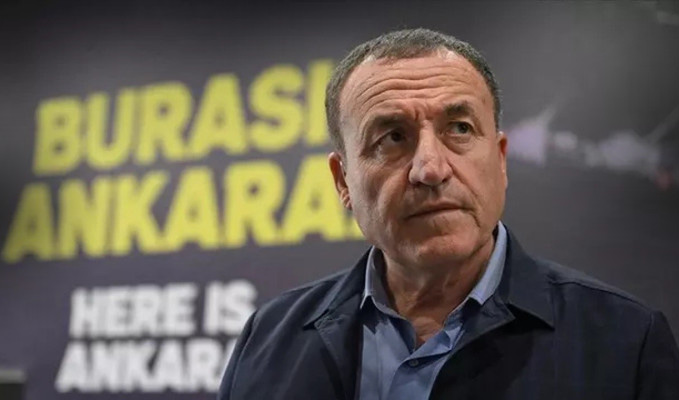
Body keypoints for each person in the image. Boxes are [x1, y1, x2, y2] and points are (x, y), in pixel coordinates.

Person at [217, 28, 679, 400]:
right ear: (343, 181)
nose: (431, 168)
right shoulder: (267, 340)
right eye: (392, 137)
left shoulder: (626, 341)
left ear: (500, 160)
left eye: (459, 128)